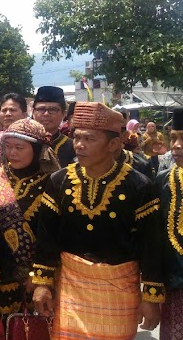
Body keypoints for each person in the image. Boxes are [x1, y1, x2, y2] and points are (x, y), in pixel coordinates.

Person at [32, 102, 164, 338]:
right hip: (70, 287)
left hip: (119, 290)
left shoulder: (139, 186)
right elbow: (46, 237)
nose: (79, 145)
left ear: (113, 144)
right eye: (76, 137)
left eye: (89, 139)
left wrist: (151, 298)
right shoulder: (58, 181)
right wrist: (42, 283)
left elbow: (152, 245)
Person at [0, 119, 60, 315]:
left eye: (19, 147)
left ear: (38, 150)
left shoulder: (53, 183)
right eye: (7, 147)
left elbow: (54, 236)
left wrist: (41, 275)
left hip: (37, 276)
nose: (12, 153)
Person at [158, 107, 183, 339]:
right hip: (176, 288)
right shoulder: (161, 183)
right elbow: (153, 239)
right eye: (173, 137)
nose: (176, 145)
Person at [32, 86, 75, 167]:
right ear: (33, 112)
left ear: (63, 114)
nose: (46, 114)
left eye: (53, 110)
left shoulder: (73, 147)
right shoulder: (24, 143)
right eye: (41, 109)